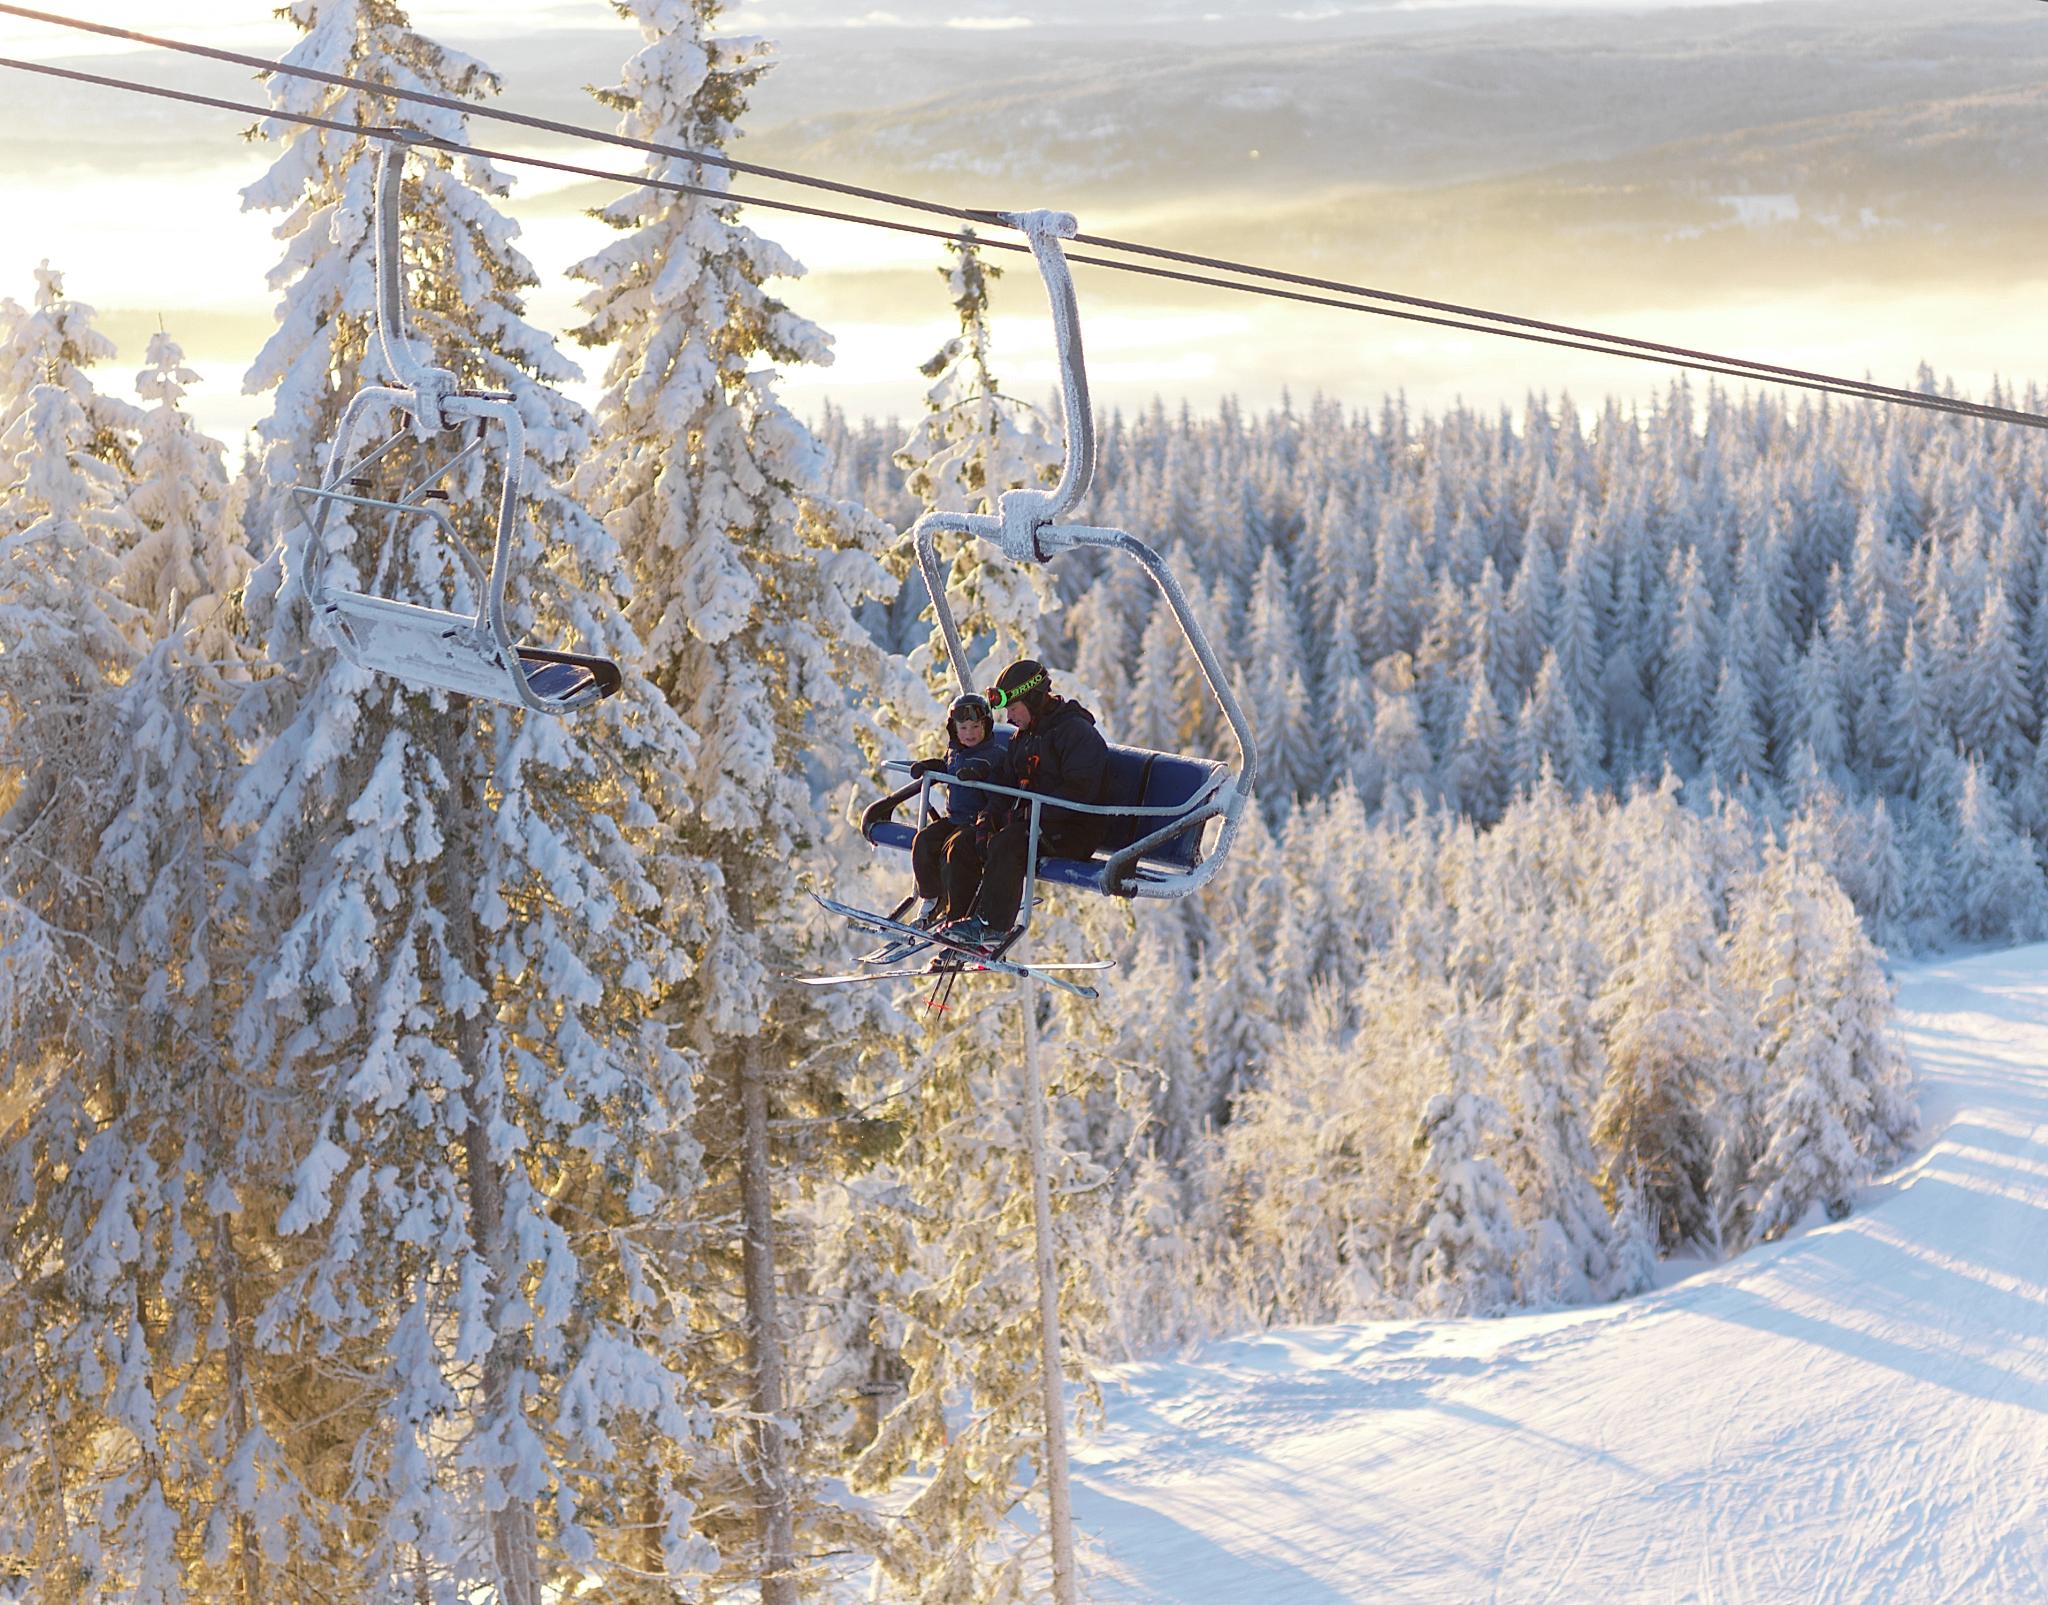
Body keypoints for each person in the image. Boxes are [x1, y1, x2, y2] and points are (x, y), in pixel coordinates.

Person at [942, 658, 1108, 950]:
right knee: (967, 841)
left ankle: (992, 927)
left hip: (1072, 830)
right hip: (1034, 825)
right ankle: (959, 921)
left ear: (1034, 699)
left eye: (1014, 709)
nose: (1009, 718)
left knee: (1009, 842)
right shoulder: (1025, 737)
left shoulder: (1074, 732)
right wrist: (989, 815)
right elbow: (1006, 782)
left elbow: (1080, 791)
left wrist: (1029, 814)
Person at [906, 691, 1011, 928]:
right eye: (963, 728)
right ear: (954, 729)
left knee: (956, 852)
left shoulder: (993, 755)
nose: (970, 734)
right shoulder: (956, 752)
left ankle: (958, 914)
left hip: (980, 822)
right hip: (956, 818)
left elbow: (991, 775)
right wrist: (929, 767)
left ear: (986, 726)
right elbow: (947, 767)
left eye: (975, 727)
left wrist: (976, 773)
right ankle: (932, 897)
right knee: (923, 841)